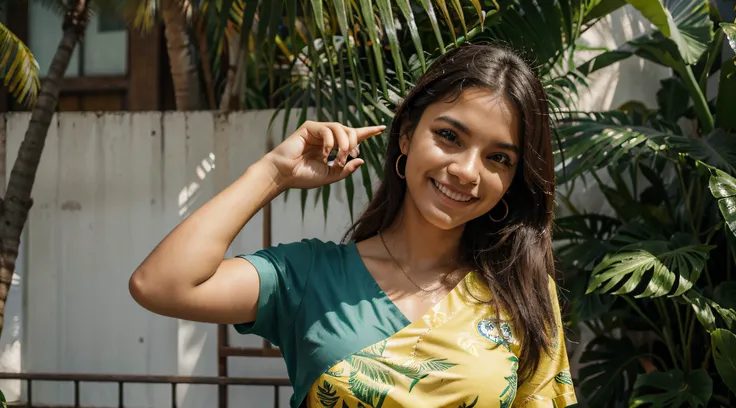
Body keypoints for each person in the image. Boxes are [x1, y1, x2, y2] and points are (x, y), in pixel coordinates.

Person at [129, 43, 578, 408]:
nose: (466, 170)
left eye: (498, 158)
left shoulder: (521, 294)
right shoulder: (308, 277)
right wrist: (272, 174)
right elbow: (160, 284)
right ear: (406, 136)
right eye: (448, 136)